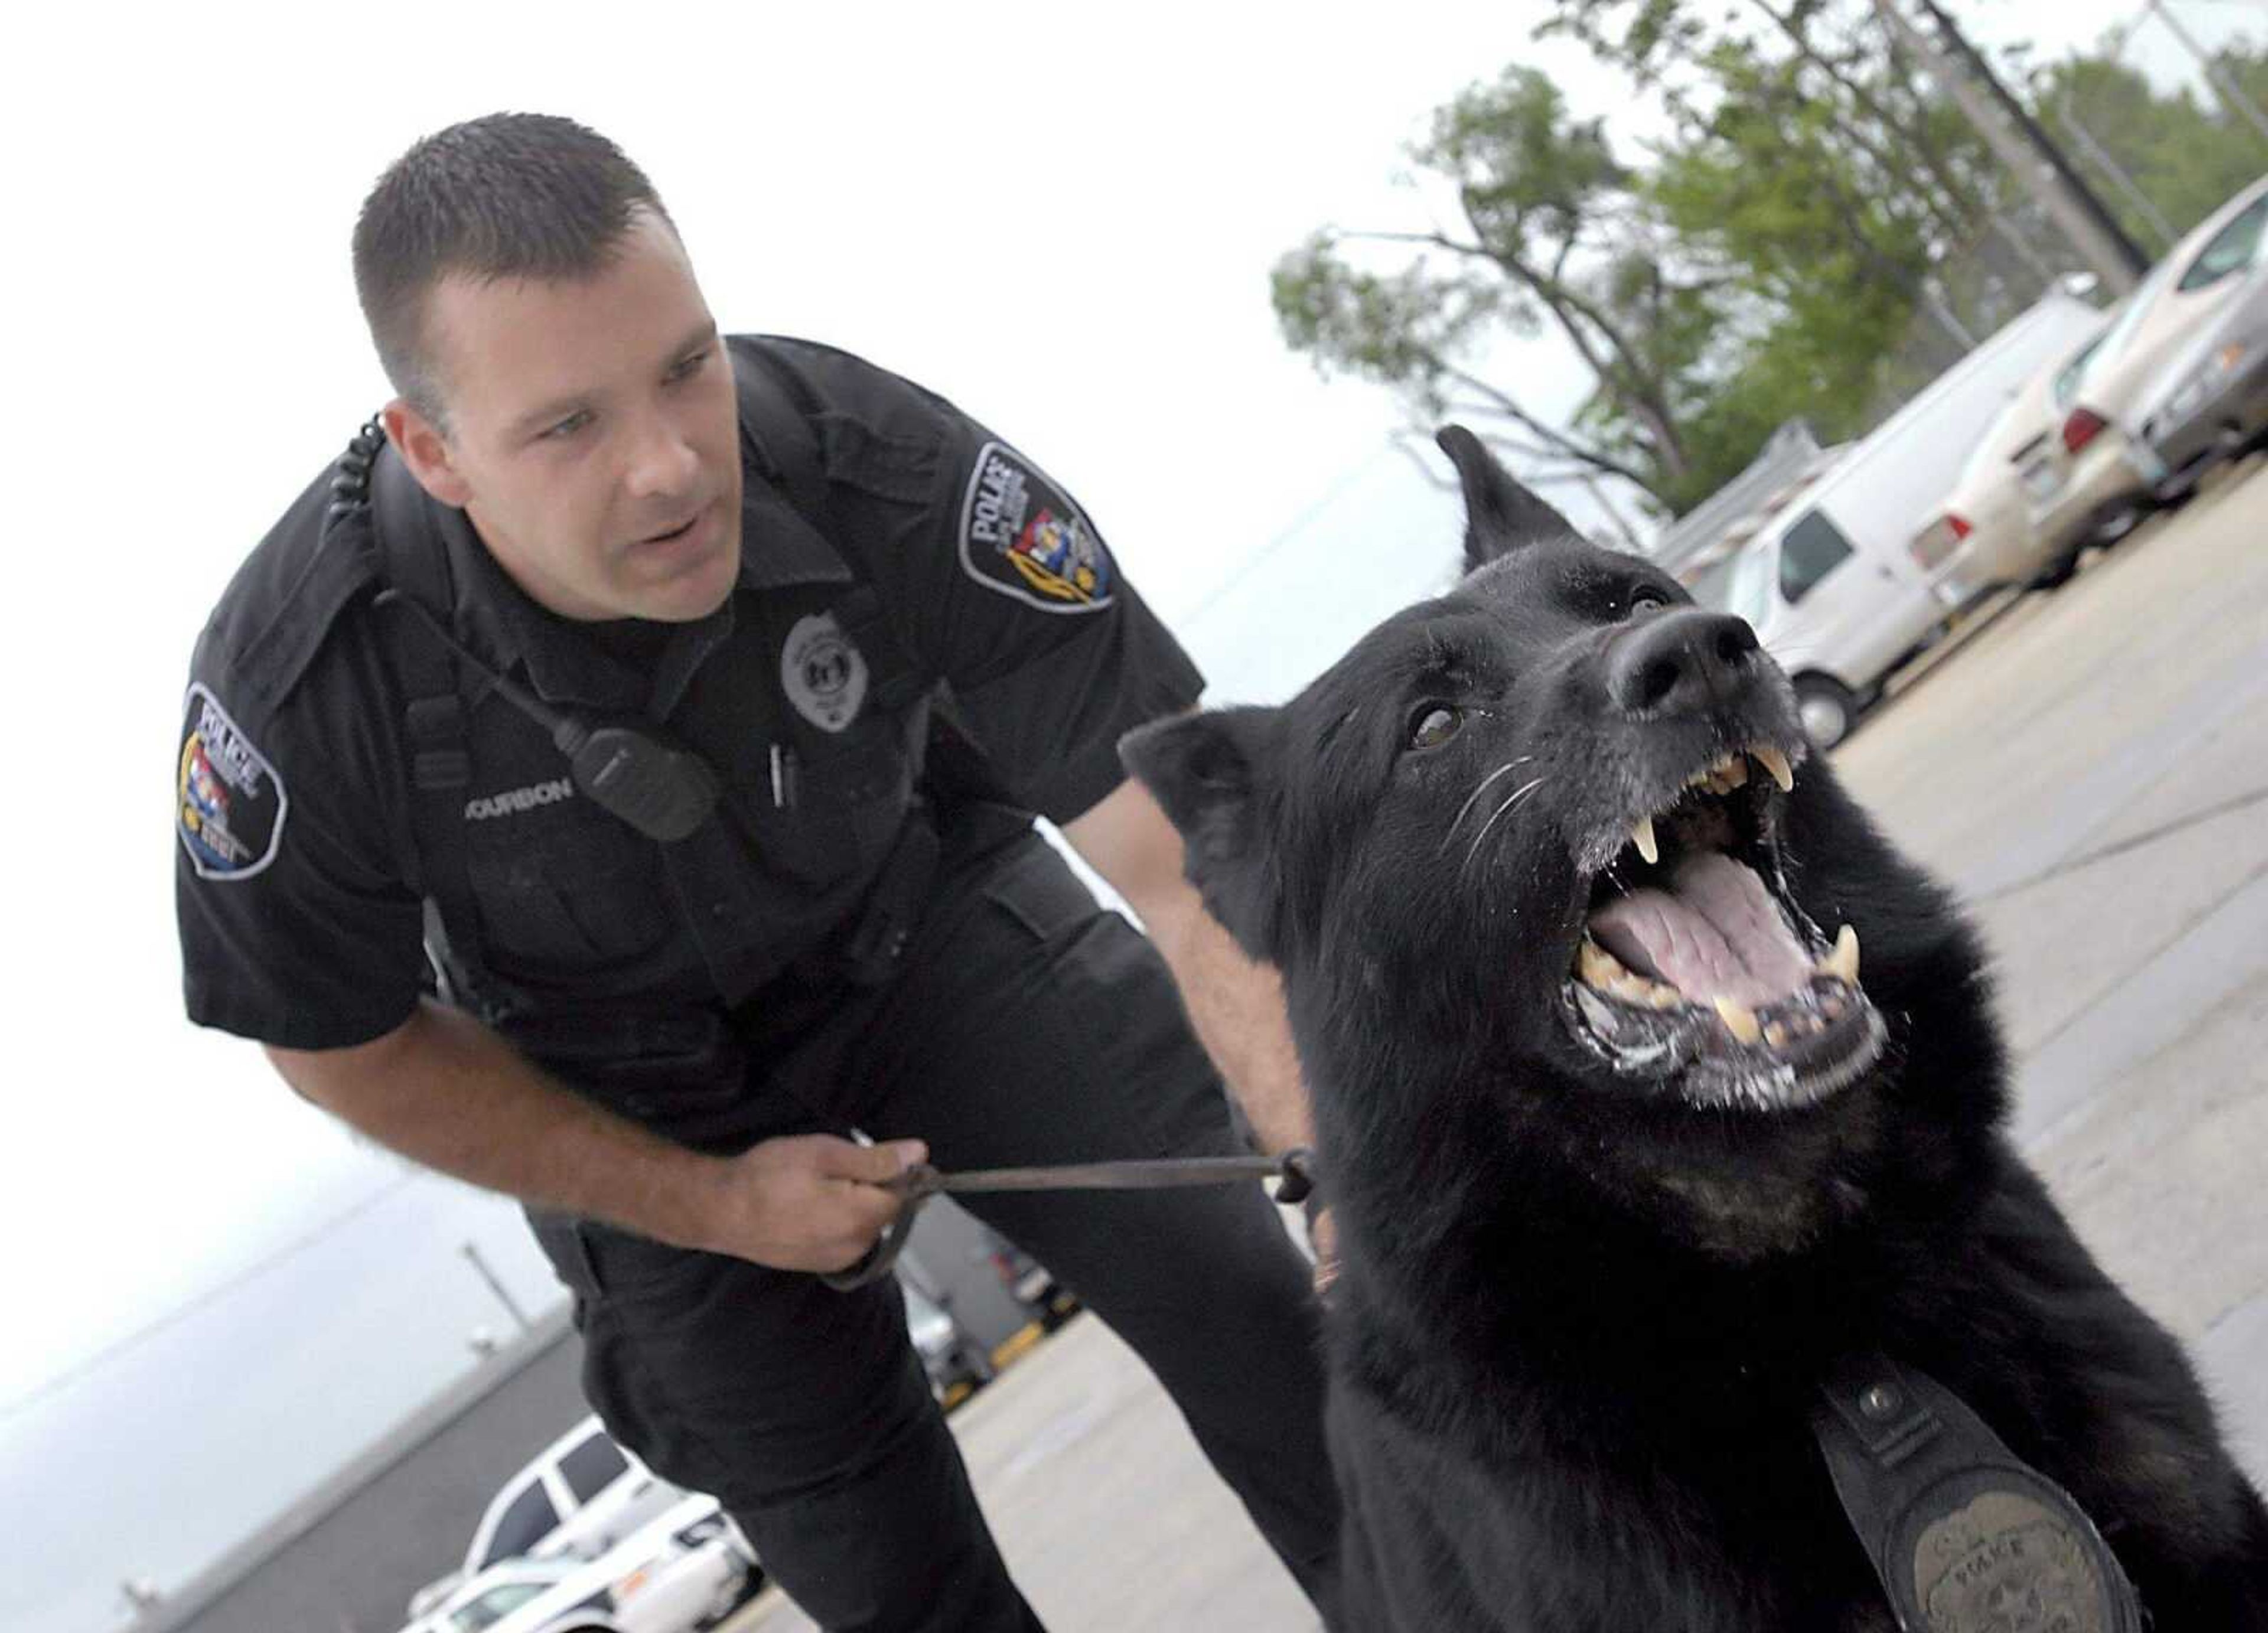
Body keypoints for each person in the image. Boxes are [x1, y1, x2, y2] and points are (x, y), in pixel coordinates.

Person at [174, 113, 1337, 1631]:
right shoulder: (298, 687)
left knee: (1279, 1332)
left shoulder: (880, 465)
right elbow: (341, 1050)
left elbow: (1185, 863)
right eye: (569, 425)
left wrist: (1344, 1163)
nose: (670, 468)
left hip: (923, 923)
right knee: (887, 1577)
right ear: (434, 451)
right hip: (618, 1091)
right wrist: (714, 1207)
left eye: (685, 368)